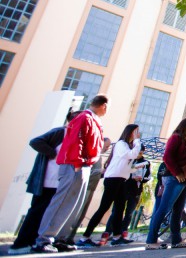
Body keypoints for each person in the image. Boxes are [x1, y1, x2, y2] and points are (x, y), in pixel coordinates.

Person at [33, 95, 107, 253]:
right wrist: (77, 162)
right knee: (62, 201)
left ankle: (60, 238)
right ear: (103, 106)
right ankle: (43, 239)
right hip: (75, 164)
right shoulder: (84, 117)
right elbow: (76, 140)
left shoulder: (93, 120)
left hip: (86, 165)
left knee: (74, 204)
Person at [9, 111, 78, 255]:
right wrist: (53, 154)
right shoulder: (60, 132)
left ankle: (36, 242)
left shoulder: (75, 136)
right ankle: (20, 244)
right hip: (47, 180)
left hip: (58, 182)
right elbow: (35, 141)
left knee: (46, 214)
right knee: (36, 212)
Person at [78, 124, 142, 247]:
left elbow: (126, 164)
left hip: (121, 180)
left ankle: (117, 236)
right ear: (129, 132)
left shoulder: (127, 146)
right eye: (135, 132)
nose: (137, 134)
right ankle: (85, 237)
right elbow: (132, 155)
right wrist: (137, 141)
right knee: (104, 207)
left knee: (119, 209)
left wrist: (135, 169)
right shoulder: (121, 144)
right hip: (113, 179)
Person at [145, 118, 186, 250]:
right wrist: (177, 173)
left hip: (185, 179)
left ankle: (176, 240)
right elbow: (167, 157)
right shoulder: (176, 138)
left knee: (178, 210)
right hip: (174, 178)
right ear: (184, 127)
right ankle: (151, 240)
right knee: (164, 208)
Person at [63, 137, 111, 245]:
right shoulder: (93, 155)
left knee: (82, 214)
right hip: (84, 188)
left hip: (91, 188)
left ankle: (70, 237)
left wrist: (103, 173)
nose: (107, 149)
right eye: (106, 146)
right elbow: (86, 170)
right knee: (77, 213)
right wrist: (101, 171)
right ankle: (65, 237)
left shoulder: (99, 157)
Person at [115, 145, 151, 236]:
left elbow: (148, 176)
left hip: (136, 191)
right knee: (117, 211)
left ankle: (123, 232)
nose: (139, 155)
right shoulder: (127, 160)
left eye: (141, 153)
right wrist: (131, 177)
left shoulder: (146, 163)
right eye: (138, 153)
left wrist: (141, 179)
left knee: (129, 213)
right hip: (123, 188)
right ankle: (112, 231)